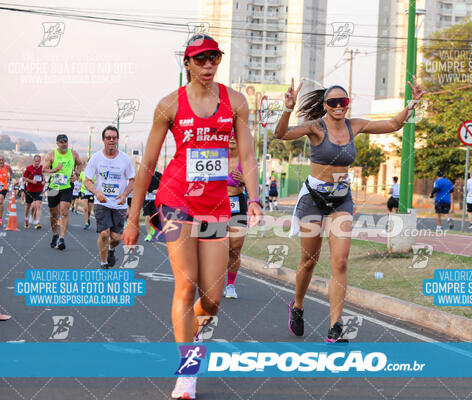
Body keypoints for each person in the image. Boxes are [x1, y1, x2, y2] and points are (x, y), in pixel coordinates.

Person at [123, 34, 262, 400]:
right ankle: (187, 373)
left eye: (213, 58)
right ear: (186, 63)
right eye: (200, 60)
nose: (207, 66)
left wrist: (254, 199)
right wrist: (134, 218)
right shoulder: (169, 105)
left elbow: (247, 156)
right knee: (185, 287)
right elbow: (149, 164)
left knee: (213, 298)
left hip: (215, 204)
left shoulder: (235, 102)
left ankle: (190, 329)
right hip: (175, 200)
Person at [275, 77, 425, 343]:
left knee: (341, 261)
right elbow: (281, 134)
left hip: (341, 201)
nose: (338, 106)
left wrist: (412, 103)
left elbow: (393, 124)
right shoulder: (315, 128)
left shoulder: (355, 126)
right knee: (309, 261)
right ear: (324, 105)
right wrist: (288, 109)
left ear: (348, 104)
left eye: (343, 102)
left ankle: (335, 325)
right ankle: (297, 306)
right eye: (332, 102)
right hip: (313, 200)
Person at [84, 126, 135, 269]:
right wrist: (97, 193)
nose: (111, 140)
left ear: (117, 140)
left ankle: (111, 250)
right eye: (108, 138)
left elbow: (132, 180)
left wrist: (125, 195)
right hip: (102, 202)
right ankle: (104, 263)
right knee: (104, 234)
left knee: (116, 238)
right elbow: (87, 181)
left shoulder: (125, 159)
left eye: (114, 137)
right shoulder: (96, 158)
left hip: (119, 203)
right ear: (103, 140)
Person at [43, 134, 82, 249]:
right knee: (53, 214)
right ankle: (55, 234)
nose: (64, 143)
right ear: (57, 143)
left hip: (67, 186)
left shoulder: (73, 153)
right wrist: (55, 169)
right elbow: (44, 170)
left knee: (64, 211)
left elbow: (80, 164)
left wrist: (77, 174)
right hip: (53, 187)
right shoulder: (51, 154)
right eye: (61, 142)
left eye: (65, 141)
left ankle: (62, 238)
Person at [224, 132, 248, 299]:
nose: (232, 137)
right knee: (214, 247)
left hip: (238, 202)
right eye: (228, 134)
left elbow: (256, 186)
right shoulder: (216, 156)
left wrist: (245, 179)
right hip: (216, 203)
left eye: (235, 134)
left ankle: (230, 285)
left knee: (235, 248)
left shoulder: (246, 158)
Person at [22, 155, 44, 229]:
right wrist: (31, 181)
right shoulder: (29, 168)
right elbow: (24, 178)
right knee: (29, 206)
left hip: (39, 189)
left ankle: (37, 222)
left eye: (38, 161)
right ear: (33, 161)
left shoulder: (42, 168)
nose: (37, 163)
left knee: (38, 205)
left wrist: (44, 181)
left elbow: (44, 177)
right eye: (36, 161)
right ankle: (26, 219)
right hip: (30, 190)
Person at [143, 169, 162, 241]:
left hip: (155, 199)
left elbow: (163, 185)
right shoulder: (145, 175)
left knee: (155, 216)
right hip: (146, 199)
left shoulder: (159, 175)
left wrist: (158, 190)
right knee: (147, 216)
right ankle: (148, 234)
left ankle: (153, 228)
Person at [0, 155, 14, 227]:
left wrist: (10, 178)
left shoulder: (7, 167)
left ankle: (0, 218)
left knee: (1, 201)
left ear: (4, 161)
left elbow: (11, 172)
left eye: (2, 160)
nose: (1, 161)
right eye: (0, 160)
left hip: (3, 187)